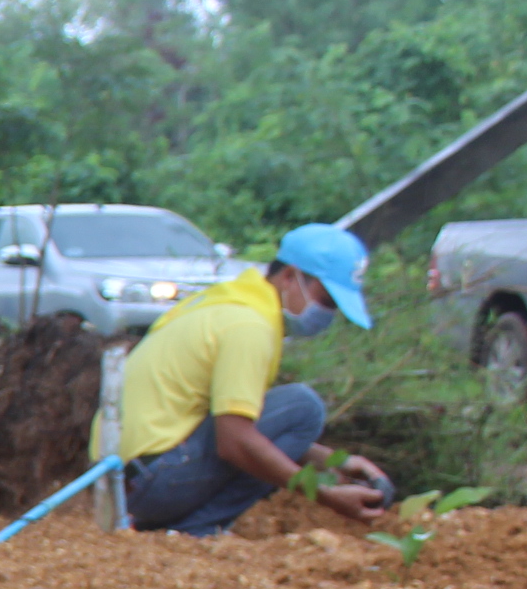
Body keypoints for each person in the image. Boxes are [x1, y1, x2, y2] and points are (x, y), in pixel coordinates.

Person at [120, 225, 390, 538]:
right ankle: (197, 529)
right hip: (157, 481)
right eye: (326, 300)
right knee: (304, 408)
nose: (327, 314)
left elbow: (249, 428)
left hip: (131, 478)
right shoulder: (250, 326)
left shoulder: (230, 303)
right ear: (289, 277)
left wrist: (334, 462)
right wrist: (324, 495)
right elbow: (236, 442)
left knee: (290, 418)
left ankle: (185, 526)